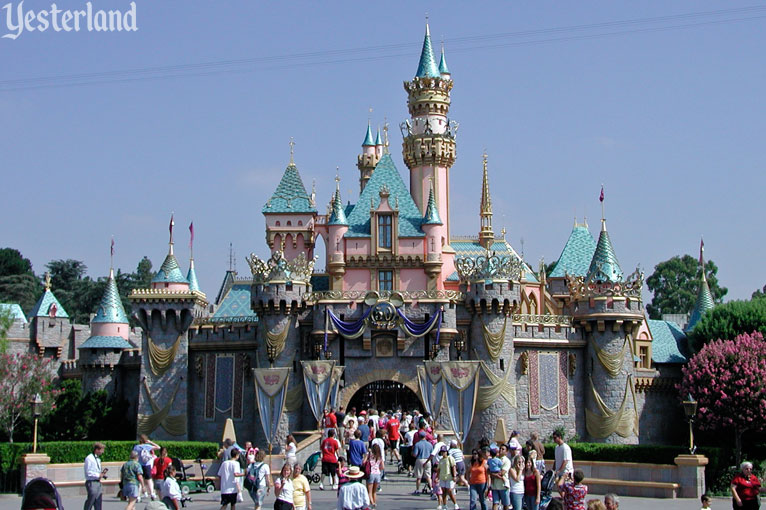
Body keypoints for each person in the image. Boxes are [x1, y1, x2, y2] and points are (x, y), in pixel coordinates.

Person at [132, 434, 159, 501]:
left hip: (139, 465)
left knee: (140, 480)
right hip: (147, 465)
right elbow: (158, 447)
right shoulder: (147, 446)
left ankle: (138, 496)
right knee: (149, 479)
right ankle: (152, 493)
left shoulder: (136, 447)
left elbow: (133, 455)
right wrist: (150, 442)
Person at [84, 442, 107, 510]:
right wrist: (98, 475)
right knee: (91, 500)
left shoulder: (98, 459)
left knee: (98, 501)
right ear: (97, 450)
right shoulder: (89, 458)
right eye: (102, 450)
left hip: (98, 482)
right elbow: (88, 472)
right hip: (91, 482)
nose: (102, 452)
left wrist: (102, 475)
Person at [435, 446, 459, 510]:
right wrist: (437, 477)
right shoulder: (441, 460)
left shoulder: (450, 458)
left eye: (444, 452)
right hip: (442, 477)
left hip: (449, 477)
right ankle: (445, 505)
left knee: (449, 491)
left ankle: (455, 504)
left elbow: (453, 467)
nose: (443, 453)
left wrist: (454, 476)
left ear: (446, 452)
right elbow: (439, 469)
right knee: (444, 492)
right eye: (442, 452)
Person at [412, 430, 434, 495]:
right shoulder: (430, 444)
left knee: (419, 476)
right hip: (427, 460)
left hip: (420, 459)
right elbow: (431, 453)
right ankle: (431, 489)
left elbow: (415, 454)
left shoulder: (417, 444)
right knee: (428, 476)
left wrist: (412, 453)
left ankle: (417, 490)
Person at [488, 445, 510, 510]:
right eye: (500, 448)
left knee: (505, 505)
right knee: (495, 503)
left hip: (503, 486)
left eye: (503, 449)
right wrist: (492, 473)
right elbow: (488, 470)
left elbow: (502, 473)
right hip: (495, 486)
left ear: (506, 452)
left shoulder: (506, 461)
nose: (501, 450)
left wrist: (493, 474)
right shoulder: (494, 459)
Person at [365, 442, 384, 508]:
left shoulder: (370, 455)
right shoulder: (380, 456)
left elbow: (363, 462)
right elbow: (382, 467)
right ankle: (374, 504)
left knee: (369, 491)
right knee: (374, 492)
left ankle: (372, 503)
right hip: (377, 474)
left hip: (371, 473)